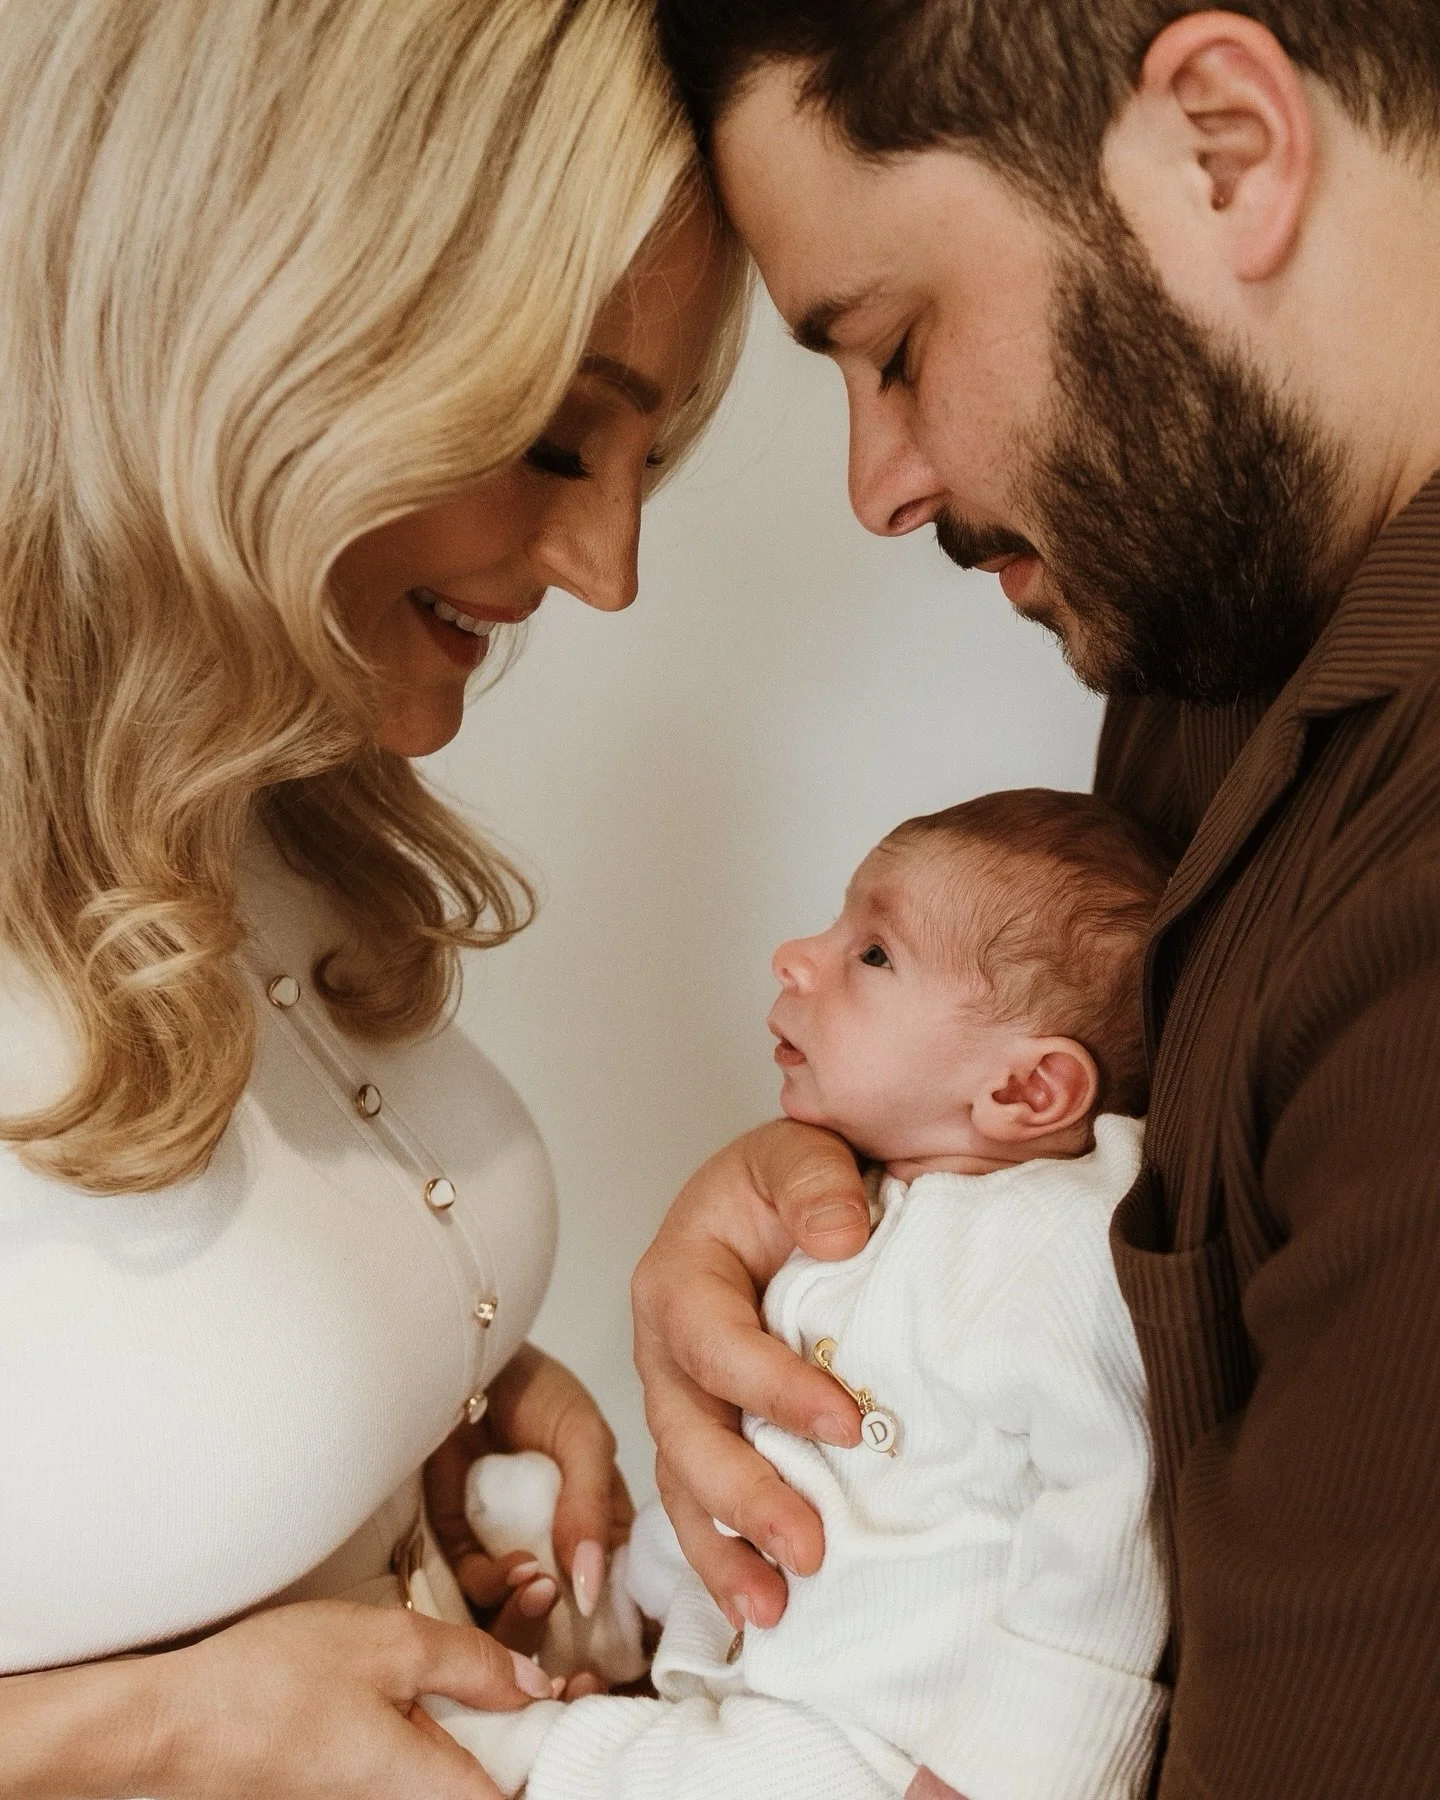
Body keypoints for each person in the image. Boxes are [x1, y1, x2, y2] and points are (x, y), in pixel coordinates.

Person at [635, 5, 1440, 1798]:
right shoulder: (1218, 631)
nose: (878, 484)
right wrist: (819, 1194)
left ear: (1222, 147)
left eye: (896, 345)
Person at [0, 4, 746, 1797]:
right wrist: (153, 1732)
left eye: (653, 460)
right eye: (562, 444)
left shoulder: (249, 785)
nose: (612, 569)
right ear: (261, 324)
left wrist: (425, 1412)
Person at [446, 790, 1173, 1800]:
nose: (796, 954)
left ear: (1026, 1092)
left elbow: (1111, 1527)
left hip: (880, 1735)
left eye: (873, 954)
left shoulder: (1057, 1244)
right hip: (771, 1647)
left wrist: (1010, 1771)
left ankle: (515, 1753)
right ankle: (612, 1605)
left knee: (672, 1778)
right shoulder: (867, 1192)